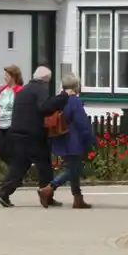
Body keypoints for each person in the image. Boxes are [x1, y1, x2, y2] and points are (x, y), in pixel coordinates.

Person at [0, 66, 68, 208]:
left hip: (17, 133)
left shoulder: (24, 90)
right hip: (33, 135)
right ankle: (47, 196)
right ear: (46, 80)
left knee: (19, 166)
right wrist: (62, 97)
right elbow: (45, 107)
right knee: (45, 167)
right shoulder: (40, 90)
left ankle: (3, 193)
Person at [47, 75, 96, 210]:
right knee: (76, 169)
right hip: (73, 141)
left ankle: (78, 199)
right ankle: (49, 188)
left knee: (73, 168)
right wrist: (91, 139)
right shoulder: (74, 101)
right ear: (76, 87)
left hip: (61, 139)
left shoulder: (58, 100)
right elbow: (82, 123)